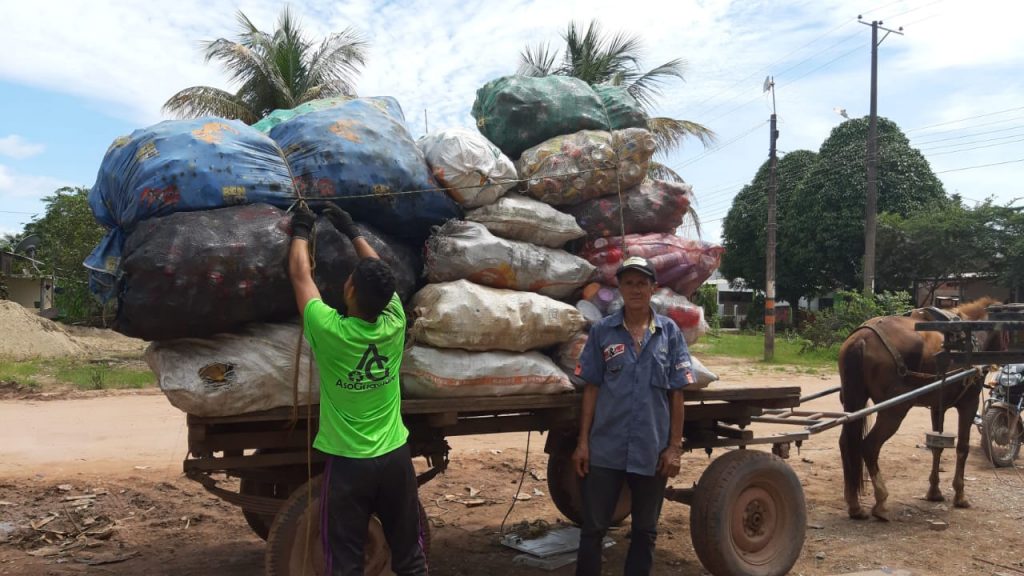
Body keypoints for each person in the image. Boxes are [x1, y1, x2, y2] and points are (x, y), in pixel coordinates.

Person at [288, 203, 427, 576]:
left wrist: (301, 230)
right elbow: (387, 276)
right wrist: (352, 231)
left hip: (350, 466)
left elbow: (301, 276)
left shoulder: (329, 330)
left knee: (345, 561)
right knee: (410, 556)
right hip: (396, 458)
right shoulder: (395, 322)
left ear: (348, 290)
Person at [572, 256, 692, 576]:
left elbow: (677, 393)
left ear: (653, 288)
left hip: (651, 451)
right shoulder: (602, 331)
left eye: (642, 283)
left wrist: (674, 447)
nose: (636, 289)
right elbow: (592, 389)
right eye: (629, 283)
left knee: (644, 531)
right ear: (620, 288)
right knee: (593, 529)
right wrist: (583, 443)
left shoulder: (669, 333)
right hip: (605, 448)